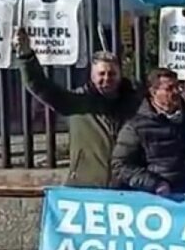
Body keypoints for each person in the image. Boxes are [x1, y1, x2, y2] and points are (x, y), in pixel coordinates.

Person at [16, 27, 140, 187]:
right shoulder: (77, 102)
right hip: (85, 187)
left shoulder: (135, 103)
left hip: (125, 189)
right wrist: (26, 55)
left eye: (112, 74)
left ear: (120, 75)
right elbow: (40, 86)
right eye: (101, 74)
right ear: (92, 75)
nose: (107, 78)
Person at [111, 68, 185, 194]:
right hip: (157, 198)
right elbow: (120, 166)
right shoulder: (136, 126)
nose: (176, 92)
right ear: (154, 92)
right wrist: (153, 183)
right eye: (169, 88)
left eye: (178, 87)